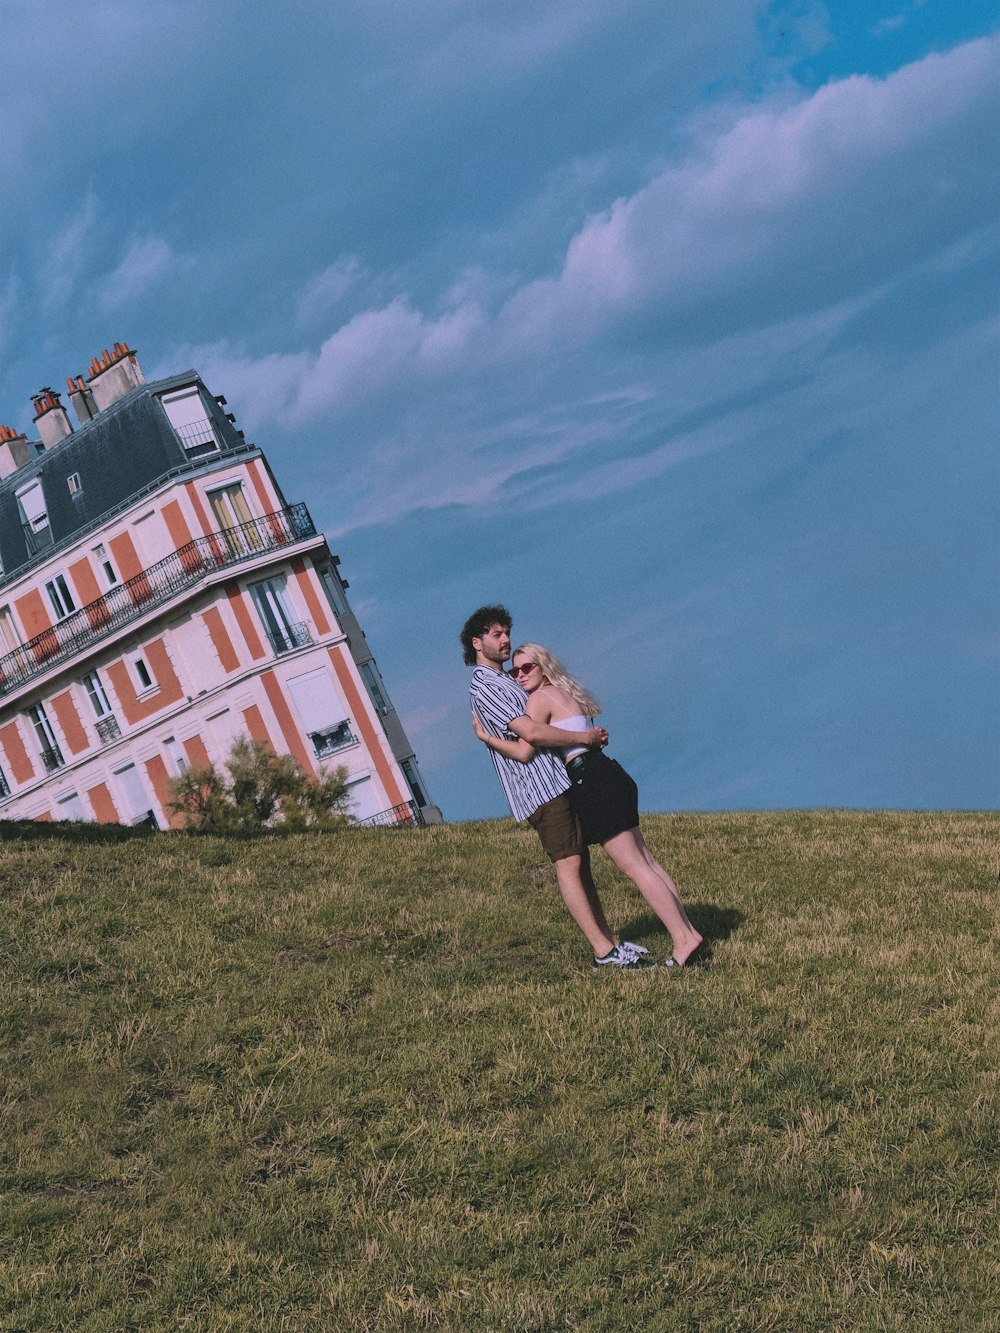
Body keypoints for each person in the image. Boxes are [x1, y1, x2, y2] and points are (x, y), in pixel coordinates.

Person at [472, 641, 703, 967]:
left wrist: (487, 738)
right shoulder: (567, 693)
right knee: (647, 861)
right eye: (515, 670)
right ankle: (688, 933)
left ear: (543, 667)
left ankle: (684, 940)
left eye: (527, 667)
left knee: (635, 867)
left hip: (590, 779)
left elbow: (526, 750)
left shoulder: (539, 699)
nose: (519, 674)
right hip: (608, 772)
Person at [461, 605, 654, 970]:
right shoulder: (485, 686)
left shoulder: (505, 679)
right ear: (477, 642)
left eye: (507, 632)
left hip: (558, 780)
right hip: (540, 789)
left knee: (580, 864)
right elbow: (530, 734)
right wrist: (583, 737)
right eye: (497, 634)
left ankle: (611, 943)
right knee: (569, 863)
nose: (506, 640)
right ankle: (603, 953)